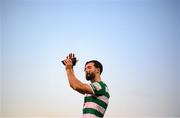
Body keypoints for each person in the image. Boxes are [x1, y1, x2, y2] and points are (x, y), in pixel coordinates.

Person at [62, 53, 110, 118]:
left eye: (89, 67)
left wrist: (68, 67)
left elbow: (75, 85)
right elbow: (74, 85)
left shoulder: (101, 86)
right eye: (85, 69)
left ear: (97, 70)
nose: (86, 70)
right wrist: (71, 68)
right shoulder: (92, 90)